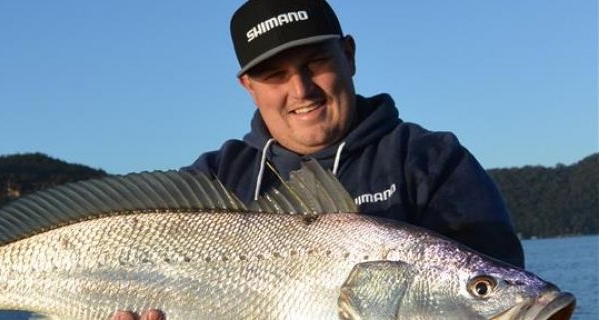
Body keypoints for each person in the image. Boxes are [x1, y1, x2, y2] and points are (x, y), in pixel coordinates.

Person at [114, 0, 523, 319]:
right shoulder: (214, 180)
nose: (301, 89)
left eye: (316, 62)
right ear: (248, 86)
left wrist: (484, 292)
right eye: (274, 74)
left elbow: (490, 289)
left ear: (349, 55)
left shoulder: (431, 161)